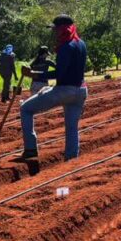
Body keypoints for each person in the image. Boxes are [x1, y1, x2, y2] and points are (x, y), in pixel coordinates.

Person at [19, 15, 88, 161]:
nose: (55, 33)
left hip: (64, 90)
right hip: (81, 90)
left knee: (25, 108)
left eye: (56, 29)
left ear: (63, 28)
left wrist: (33, 74)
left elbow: (58, 73)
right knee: (72, 127)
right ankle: (71, 159)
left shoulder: (65, 47)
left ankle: (30, 148)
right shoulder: (81, 43)